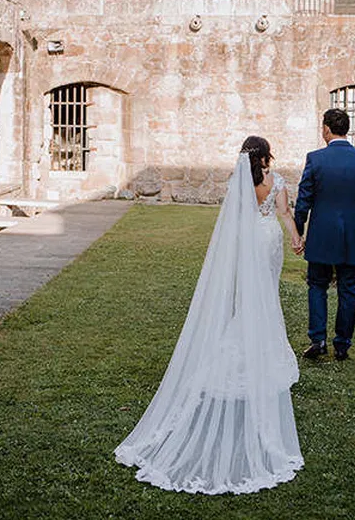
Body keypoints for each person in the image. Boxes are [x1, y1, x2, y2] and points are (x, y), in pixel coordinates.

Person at [115, 136, 304, 494]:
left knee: (250, 297)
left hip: (249, 241)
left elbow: (233, 221)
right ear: (265, 155)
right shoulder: (276, 180)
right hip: (269, 240)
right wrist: (296, 238)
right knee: (267, 297)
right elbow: (285, 214)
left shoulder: (241, 182)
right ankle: (263, 347)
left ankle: (243, 339)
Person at [293, 108, 355, 362]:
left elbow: (304, 200)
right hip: (353, 236)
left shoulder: (315, 159)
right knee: (349, 290)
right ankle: (342, 345)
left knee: (317, 285)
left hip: (322, 234)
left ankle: (318, 339)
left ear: (326, 129)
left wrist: (298, 231)